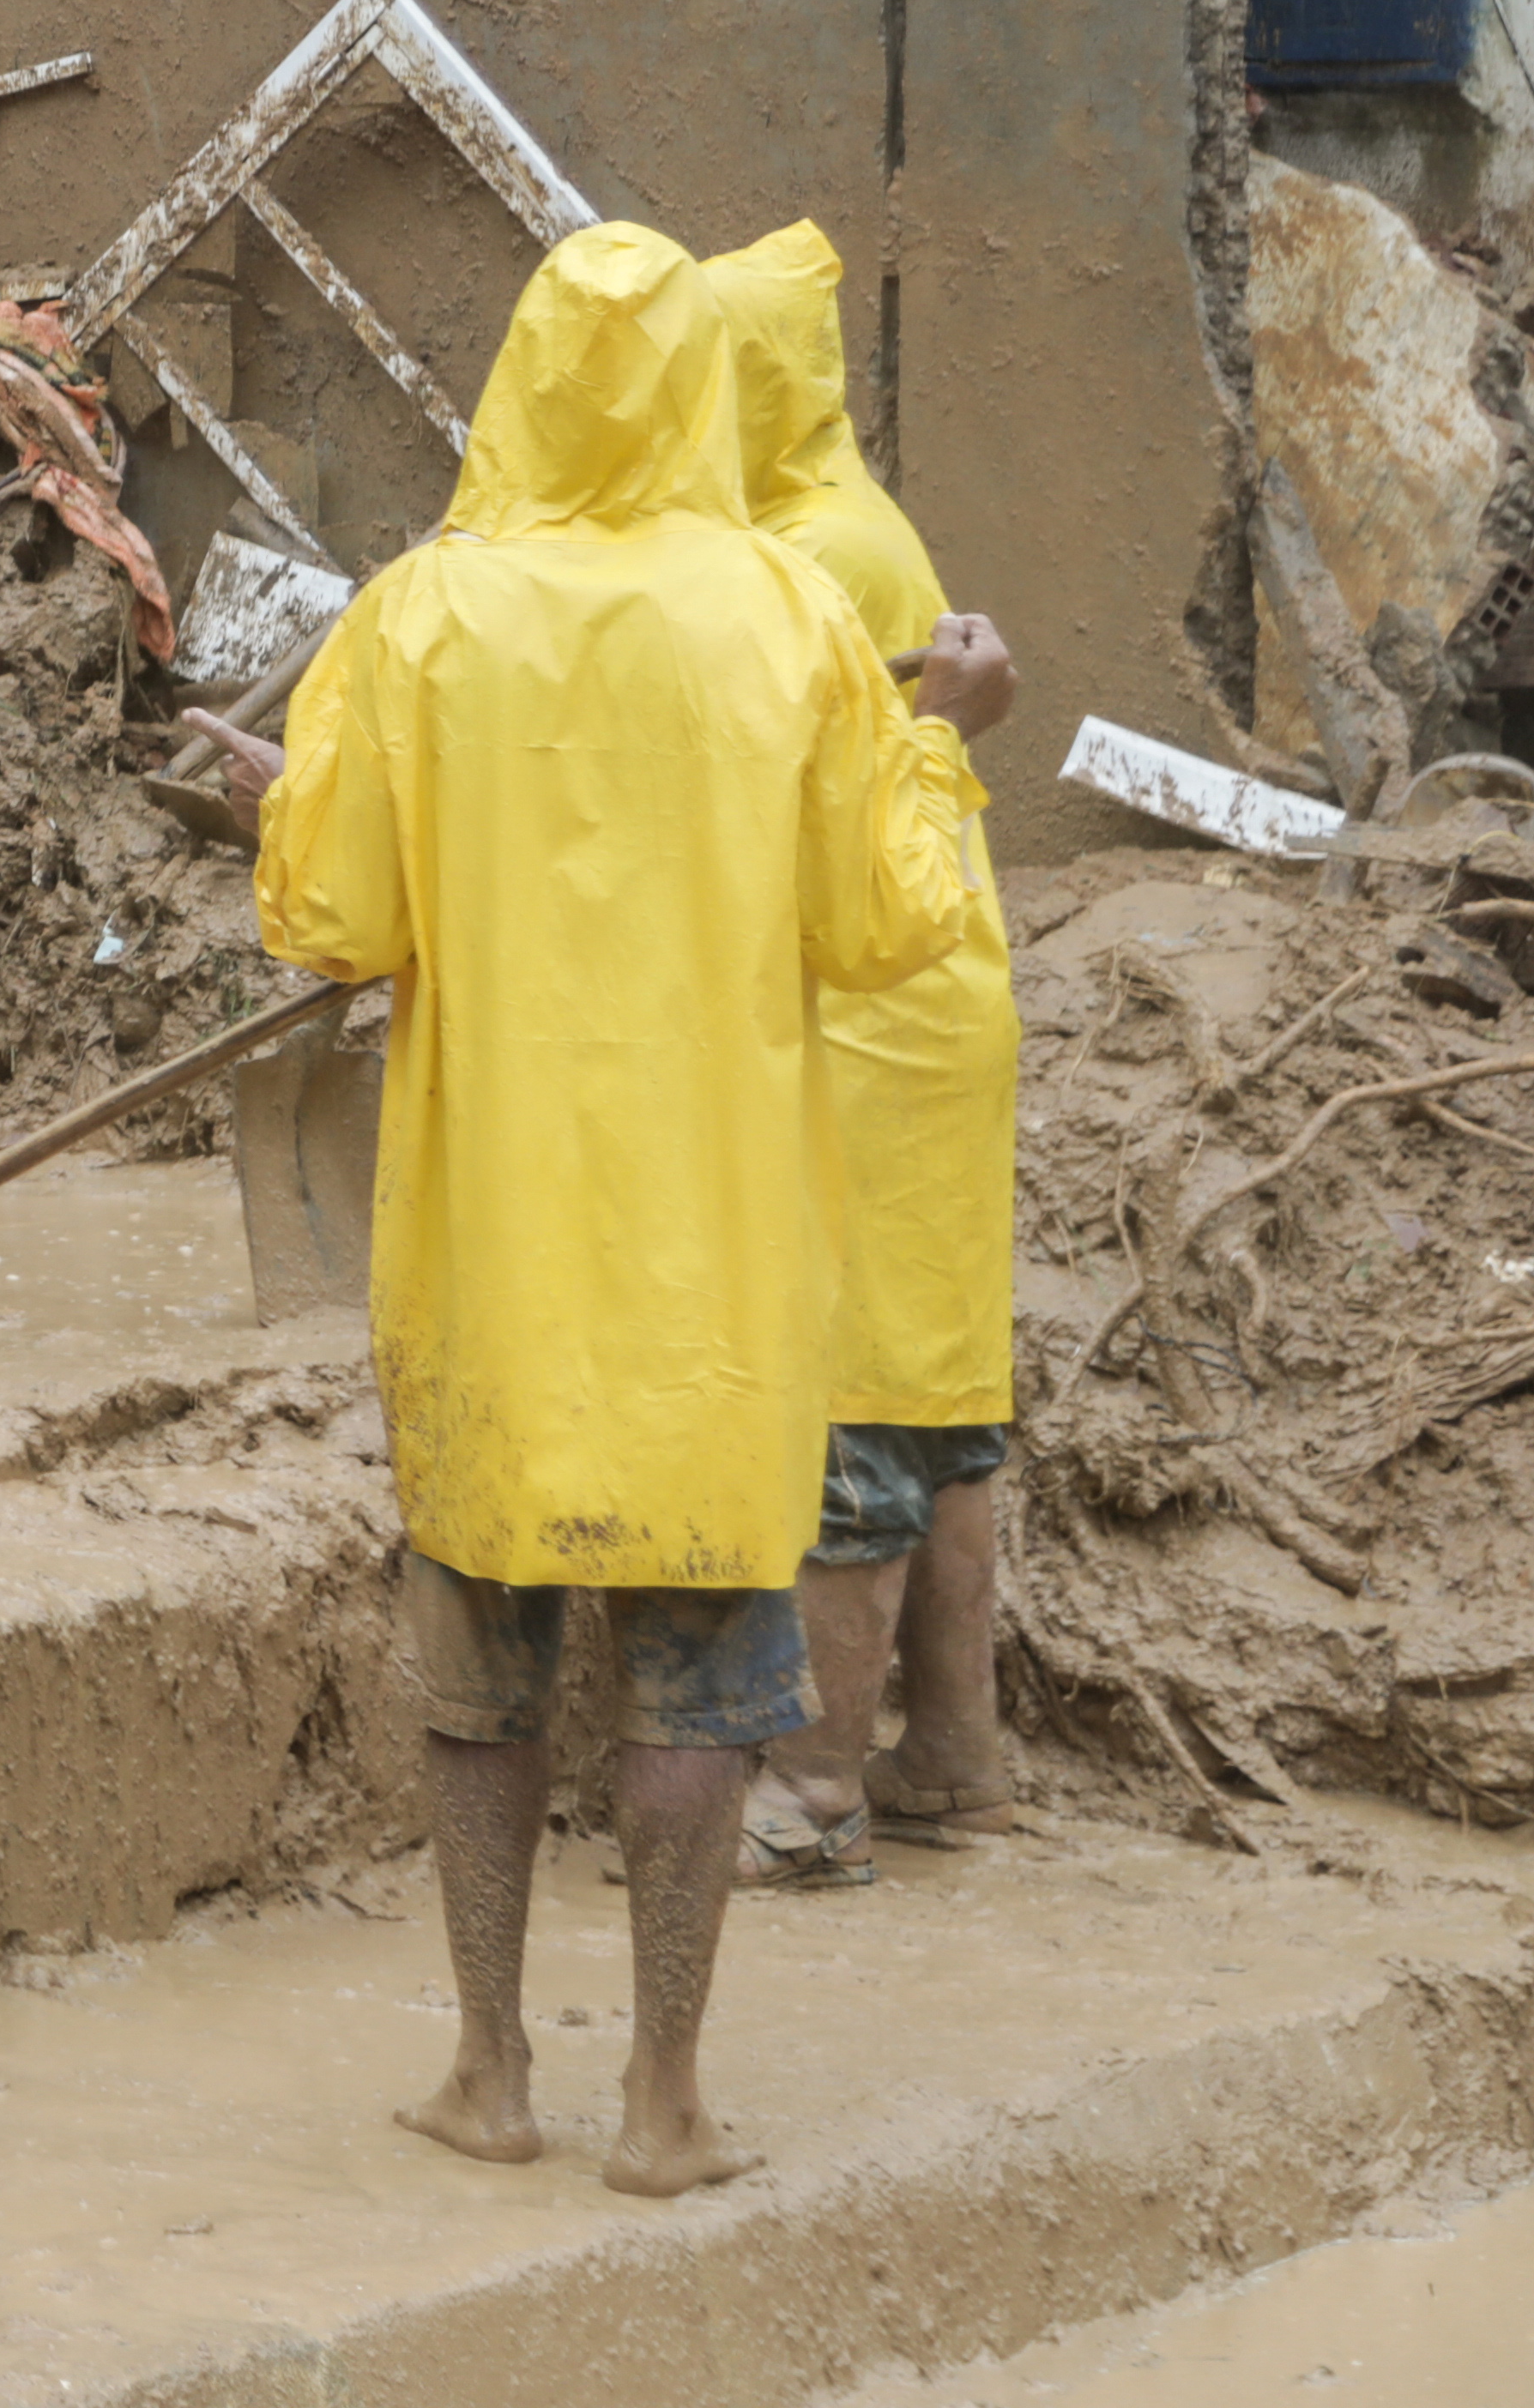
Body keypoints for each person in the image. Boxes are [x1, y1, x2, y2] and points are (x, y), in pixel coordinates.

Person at [249, 222, 1016, 2197]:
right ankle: (664, 2101)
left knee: (479, 1677)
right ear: (697, 387)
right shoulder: (789, 621)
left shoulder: (421, 619)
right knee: (696, 1674)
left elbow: (326, 916)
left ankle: (492, 2074)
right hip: (714, 1281)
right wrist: (942, 745)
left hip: (490, 1264)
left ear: (518, 376)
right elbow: (885, 923)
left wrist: (317, 783)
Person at [706, 220, 1029, 1889]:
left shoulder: (802, 559)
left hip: (876, 1035)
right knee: (944, 1399)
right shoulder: (841, 518)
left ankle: (815, 1783)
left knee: (855, 1417)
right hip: (942, 1006)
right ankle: (958, 1761)